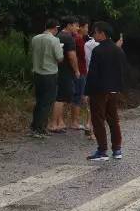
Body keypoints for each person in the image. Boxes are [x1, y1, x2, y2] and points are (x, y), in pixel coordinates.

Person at [86, 21, 126, 162]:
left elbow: (93, 73)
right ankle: (117, 149)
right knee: (113, 119)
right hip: (114, 90)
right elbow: (122, 71)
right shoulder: (118, 50)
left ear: (102, 33)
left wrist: (87, 91)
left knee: (98, 119)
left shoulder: (98, 51)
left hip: (99, 90)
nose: (93, 35)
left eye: (95, 32)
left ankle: (102, 150)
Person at [29, 20, 63, 138]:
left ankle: (34, 125)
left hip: (37, 73)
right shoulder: (54, 40)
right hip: (50, 73)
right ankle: (40, 128)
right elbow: (59, 58)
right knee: (47, 102)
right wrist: (61, 49)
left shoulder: (35, 38)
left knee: (39, 101)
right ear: (54, 28)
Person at [50, 17, 80, 133]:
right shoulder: (68, 38)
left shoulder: (58, 36)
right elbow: (72, 56)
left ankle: (60, 122)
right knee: (61, 97)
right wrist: (76, 70)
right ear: (69, 25)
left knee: (60, 96)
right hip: (65, 71)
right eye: (75, 25)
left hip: (56, 70)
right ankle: (54, 124)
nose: (77, 28)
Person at [68, 20, 90, 133]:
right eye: (85, 27)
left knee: (77, 95)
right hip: (80, 70)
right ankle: (75, 122)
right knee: (78, 95)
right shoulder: (79, 40)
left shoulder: (78, 39)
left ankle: (74, 121)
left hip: (79, 70)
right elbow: (83, 55)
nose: (87, 29)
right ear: (80, 28)